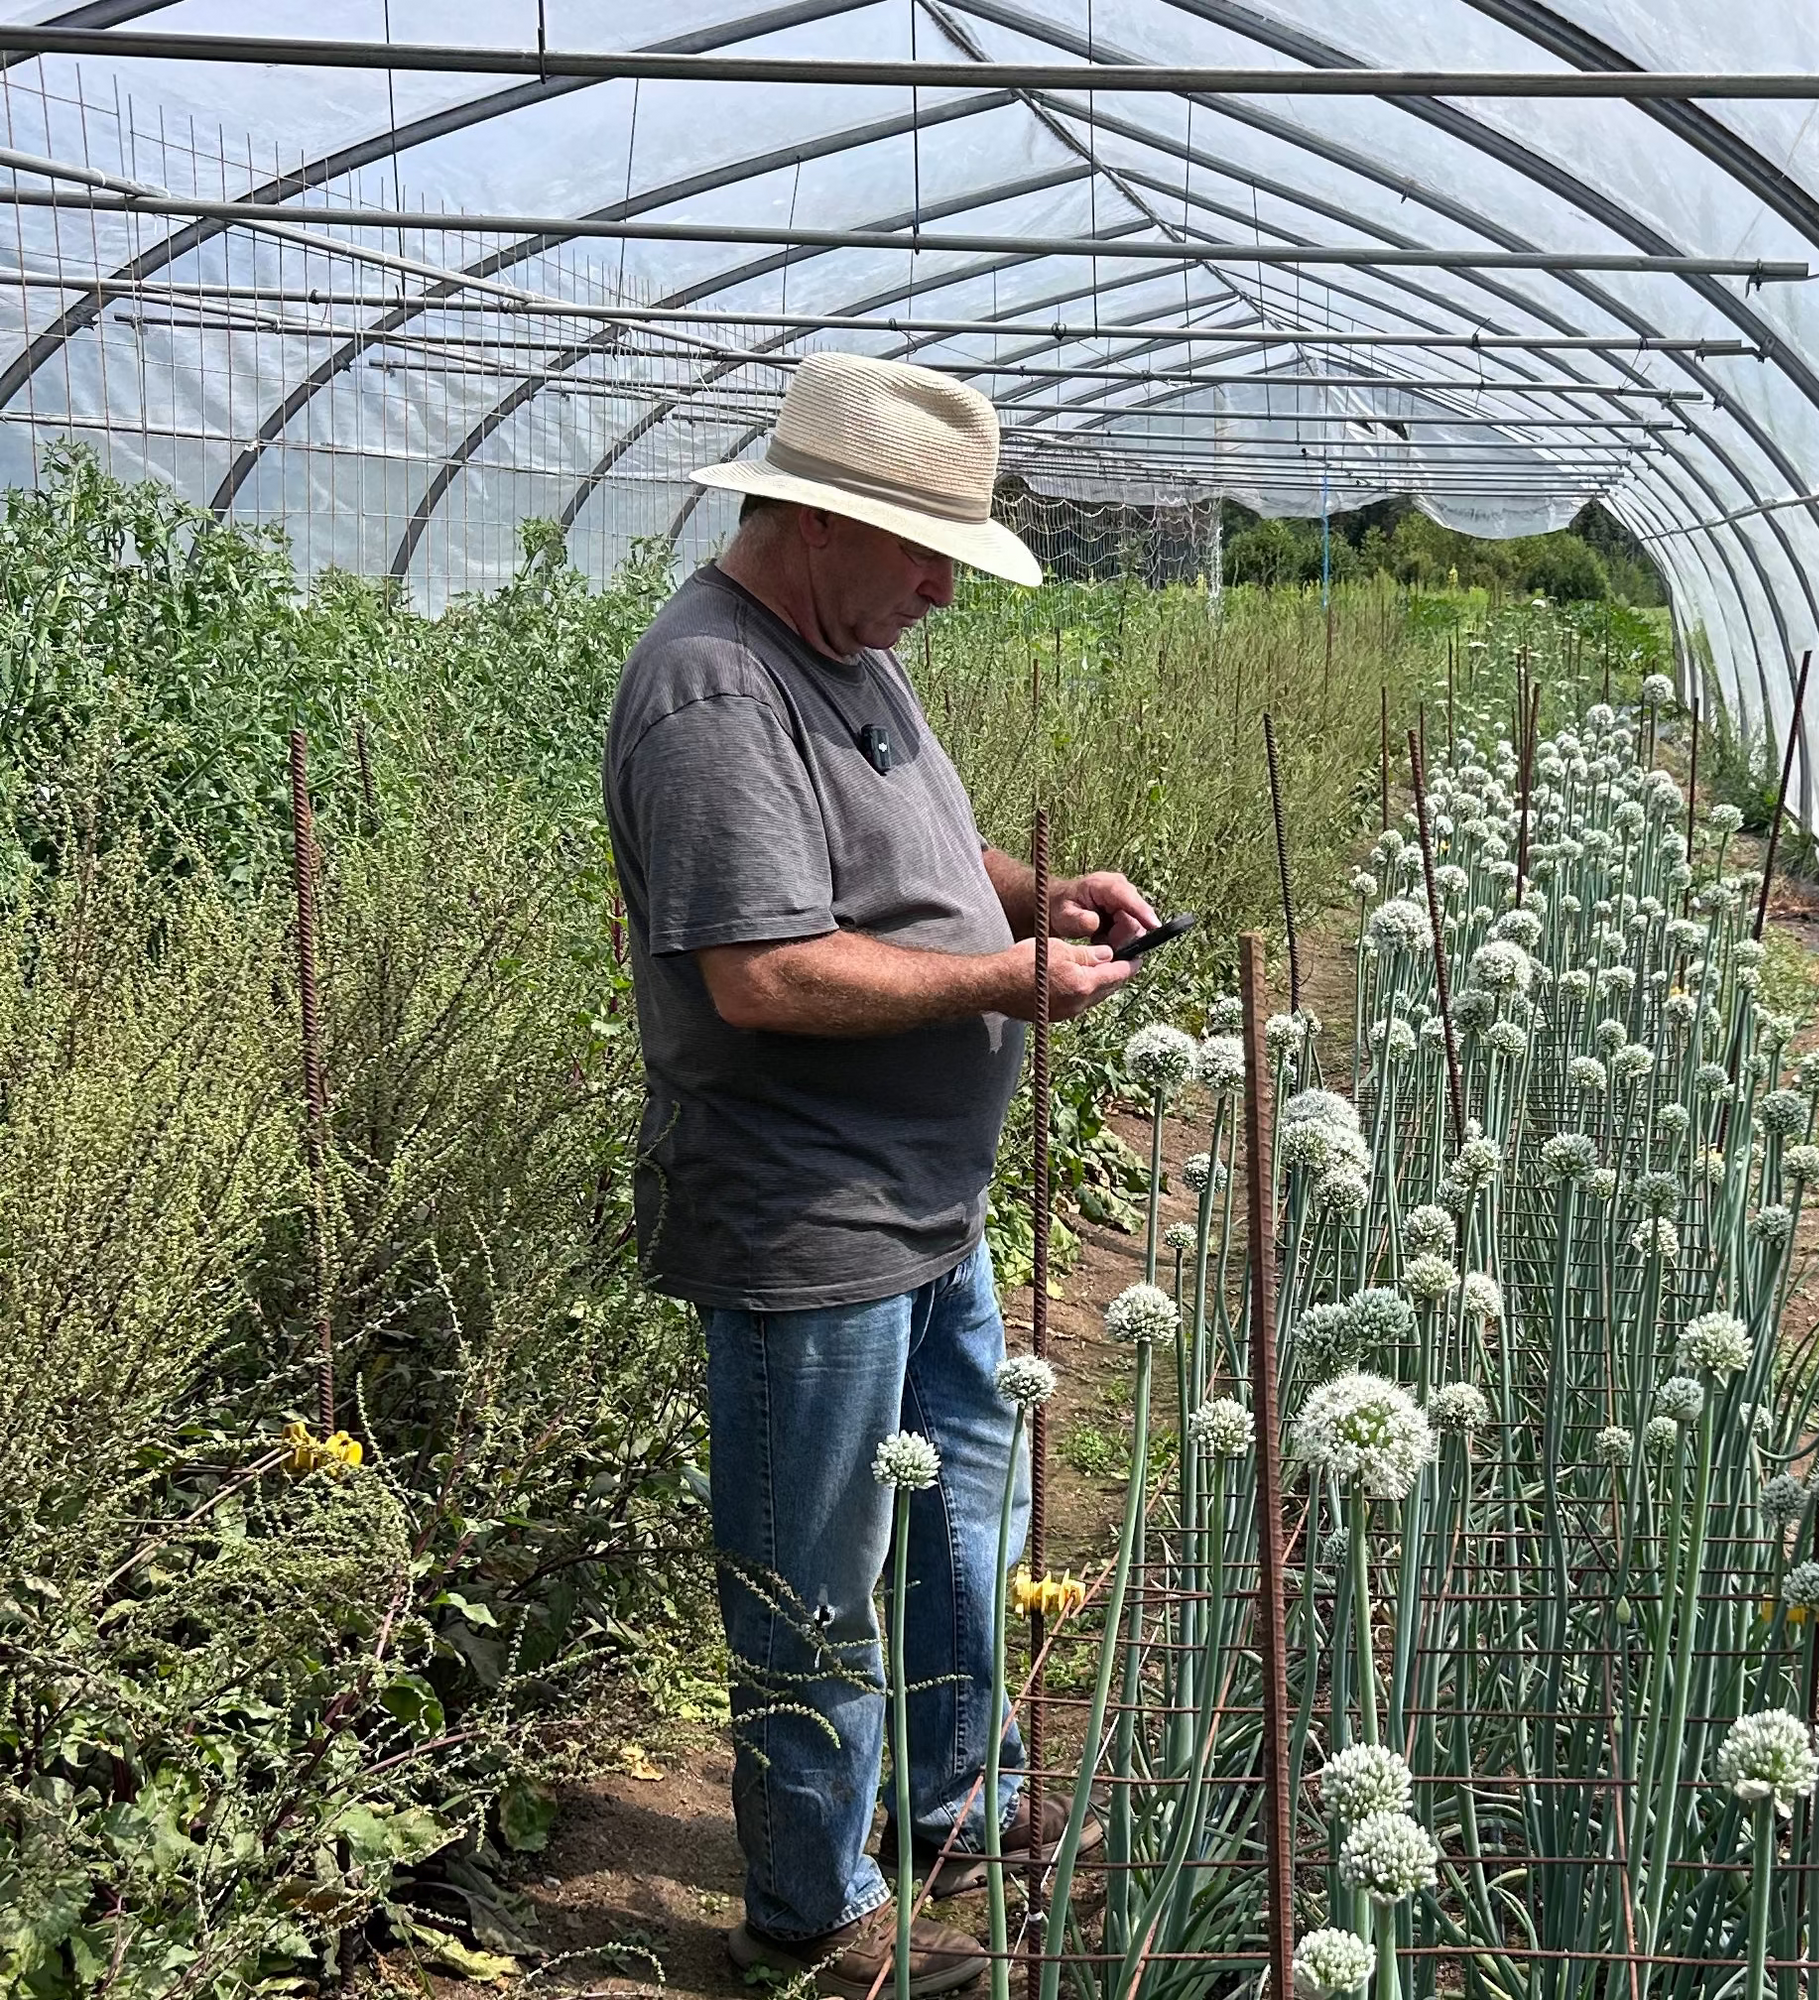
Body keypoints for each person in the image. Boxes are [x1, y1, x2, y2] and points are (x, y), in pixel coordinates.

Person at [601, 352, 1153, 1991]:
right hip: (807, 1214)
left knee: (959, 1525)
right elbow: (760, 973)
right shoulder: (715, 687)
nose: (942, 592)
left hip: (924, 1205)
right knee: (813, 1574)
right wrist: (1006, 984)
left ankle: (941, 1804)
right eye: (926, 557)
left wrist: (1035, 893)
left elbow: (911, 849)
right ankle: (812, 1916)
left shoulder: (846, 647)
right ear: (816, 521)